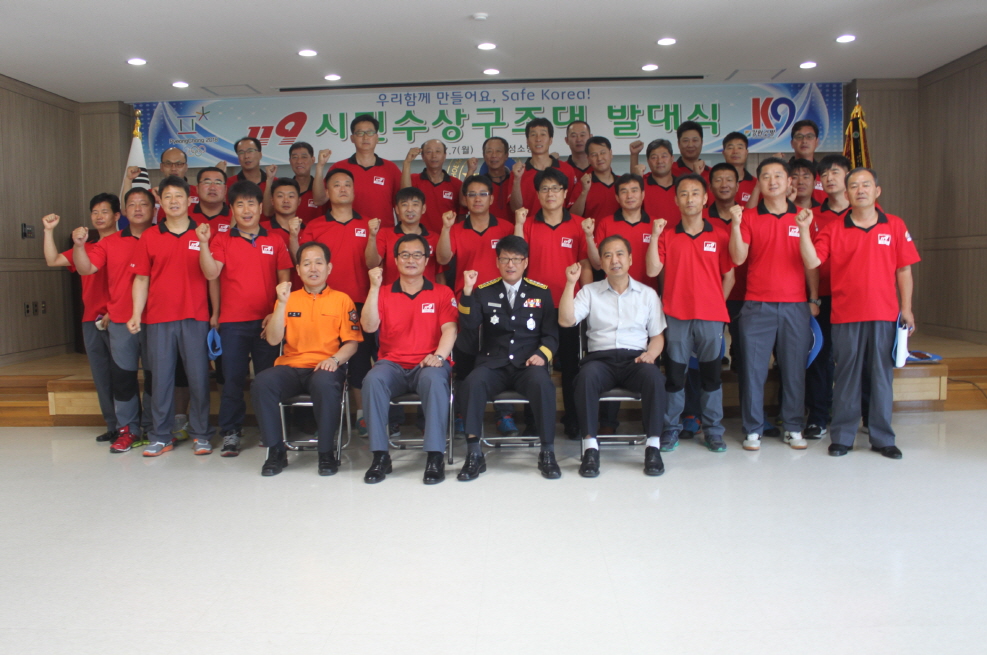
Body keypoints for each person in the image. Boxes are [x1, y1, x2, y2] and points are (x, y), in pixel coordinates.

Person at [797, 168, 920, 459]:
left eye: (866, 185)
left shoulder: (894, 225)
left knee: (881, 377)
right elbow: (812, 261)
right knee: (847, 377)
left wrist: (906, 308)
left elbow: (904, 269)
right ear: (847, 193)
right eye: (854, 186)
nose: (860, 190)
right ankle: (843, 437)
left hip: (884, 314)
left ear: (877, 191)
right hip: (845, 315)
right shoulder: (833, 228)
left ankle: (882, 438)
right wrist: (803, 230)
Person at [251, 241, 364, 476]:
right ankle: (276, 451)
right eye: (307, 263)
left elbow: (352, 343)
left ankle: (326, 452)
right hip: (290, 367)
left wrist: (334, 360)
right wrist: (281, 304)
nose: (313, 268)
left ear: (329, 268)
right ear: (298, 269)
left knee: (325, 383)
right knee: (262, 382)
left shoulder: (342, 300)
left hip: (326, 366)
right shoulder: (288, 299)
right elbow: (273, 340)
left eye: (319, 263)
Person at [197, 181, 293, 456]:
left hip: (267, 323)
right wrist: (203, 244)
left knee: (267, 380)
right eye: (240, 204)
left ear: (261, 207)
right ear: (232, 209)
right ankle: (231, 432)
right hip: (233, 323)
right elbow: (211, 273)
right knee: (232, 380)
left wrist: (276, 313)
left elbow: (284, 280)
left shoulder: (275, 240)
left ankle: (269, 429)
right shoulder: (221, 240)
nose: (246, 209)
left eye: (251, 203)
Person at [728, 158, 817, 451]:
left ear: (789, 182)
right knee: (753, 371)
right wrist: (736, 225)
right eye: (766, 176)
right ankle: (753, 428)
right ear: (759, 183)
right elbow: (738, 258)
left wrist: (813, 297)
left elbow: (811, 263)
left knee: (794, 370)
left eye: (778, 175)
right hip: (757, 305)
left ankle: (793, 426)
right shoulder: (749, 217)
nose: (772, 181)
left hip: (795, 305)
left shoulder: (803, 217)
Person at [560, 236, 668, 477]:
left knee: (654, 378)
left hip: (636, 360)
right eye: (607, 255)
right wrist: (570, 284)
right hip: (601, 360)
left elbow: (657, 336)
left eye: (620, 254)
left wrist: (651, 354)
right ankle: (590, 448)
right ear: (601, 262)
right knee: (585, 378)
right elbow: (566, 320)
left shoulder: (647, 294)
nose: (614, 260)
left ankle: (653, 447)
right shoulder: (589, 292)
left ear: (630, 259)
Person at [455, 236, 561, 480]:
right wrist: (468, 291)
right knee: (472, 383)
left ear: (526, 262)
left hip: (528, 364)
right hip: (493, 363)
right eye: (505, 259)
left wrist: (542, 355)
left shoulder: (541, 292)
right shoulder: (484, 291)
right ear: (497, 262)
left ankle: (547, 452)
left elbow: (551, 335)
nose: (510, 264)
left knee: (544, 385)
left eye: (516, 259)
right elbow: (469, 325)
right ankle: (474, 453)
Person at [360, 234, 459, 484]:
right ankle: (380, 456)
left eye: (417, 255)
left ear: (426, 260)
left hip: (428, 363)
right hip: (392, 364)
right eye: (404, 255)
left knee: (435, 381)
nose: (411, 260)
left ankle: (435, 456)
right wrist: (373, 288)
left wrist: (439, 356)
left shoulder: (442, 292)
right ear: (395, 260)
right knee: (372, 380)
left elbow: (450, 329)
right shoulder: (383, 292)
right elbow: (369, 326)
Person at [647, 174, 735, 453]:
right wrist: (655, 236)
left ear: (705, 198)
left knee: (712, 376)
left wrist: (715, 304)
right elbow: (652, 269)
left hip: (711, 317)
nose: (690, 199)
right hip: (676, 316)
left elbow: (729, 276)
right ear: (676, 200)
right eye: (684, 194)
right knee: (675, 376)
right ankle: (671, 428)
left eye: (695, 193)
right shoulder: (668, 235)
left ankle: (713, 430)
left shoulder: (719, 234)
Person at [128, 175, 212, 457]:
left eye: (179, 196)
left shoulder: (203, 233)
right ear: (160, 202)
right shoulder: (150, 236)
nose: (174, 201)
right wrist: (136, 313)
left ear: (189, 200)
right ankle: (161, 435)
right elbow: (141, 278)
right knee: (161, 379)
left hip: (195, 316)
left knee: (199, 378)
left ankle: (201, 434)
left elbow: (213, 276)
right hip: (158, 319)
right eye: (168, 197)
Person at [71, 188, 156, 453]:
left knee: (155, 377)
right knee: (123, 377)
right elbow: (86, 268)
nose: (138, 208)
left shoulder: (162, 237)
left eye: (144, 204)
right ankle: (128, 429)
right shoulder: (110, 242)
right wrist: (79, 246)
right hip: (120, 320)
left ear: (154, 209)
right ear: (124, 212)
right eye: (132, 204)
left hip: (157, 320)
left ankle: (153, 427)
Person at [515, 167, 593, 439]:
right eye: (545, 189)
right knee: (532, 365)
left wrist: (588, 302)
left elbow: (586, 265)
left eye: (556, 188)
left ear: (565, 193)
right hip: (533, 307)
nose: (550, 194)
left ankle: (573, 420)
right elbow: (517, 262)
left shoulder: (578, 224)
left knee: (571, 366)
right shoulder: (527, 225)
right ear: (537, 194)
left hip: (569, 307)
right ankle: (533, 422)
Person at [297, 168, 375, 429]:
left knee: (361, 362)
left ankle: (362, 416)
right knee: (324, 360)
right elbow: (302, 266)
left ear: (354, 190)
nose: (342, 189)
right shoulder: (315, 226)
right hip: (322, 304)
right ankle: (325, 420)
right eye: (337, 185)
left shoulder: (368, 225)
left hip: (360, 302)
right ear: (327, 192)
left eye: (347, 184)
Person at [42, 194, 118, 443]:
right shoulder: (84, 247)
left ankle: (133, 425)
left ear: (117, 216)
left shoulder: (126, 243)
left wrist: (116, 310)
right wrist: (48, 231)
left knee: (124, 374)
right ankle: (113, 425)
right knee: (101, 376)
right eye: (95, 212)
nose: (99, 216)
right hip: (91, 319)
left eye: (104, 211)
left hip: (119, 318)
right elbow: (52, 260)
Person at [803, 154, 853, 439]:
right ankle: (818, 417)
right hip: (823, 296)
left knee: (855, 358)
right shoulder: (812, 215)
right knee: (820, 356)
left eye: (835, 172)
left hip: (856, 299)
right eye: (824, 174)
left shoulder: (868, 212)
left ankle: (862, 414)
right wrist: (813, 297)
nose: (829, 178)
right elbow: (809, 261)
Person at [328, 114, 402, 227]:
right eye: (360, 133)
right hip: (348, 232)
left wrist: (401, 233)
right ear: (352, 138)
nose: (365, 137)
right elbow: (322, 200)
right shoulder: (339, 168)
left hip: (383, 232)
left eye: (370, 132)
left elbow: (400, 204)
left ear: (377, 137)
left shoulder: (391, 168)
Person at [367, 187, 442, 285]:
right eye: (404, 204)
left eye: (415, 204)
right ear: (397, 209)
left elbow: (439, 275)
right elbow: (372, 264)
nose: (409, 209)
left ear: (423, 208)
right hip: (392, 293)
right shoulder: (385, 234)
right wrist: (372, 236)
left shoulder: (435, 238)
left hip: (427, 294)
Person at [509, 118, 581, 214]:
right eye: (533, 135)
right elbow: (515, 209)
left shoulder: (566, 169)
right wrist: (517, 179)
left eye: (543, 134)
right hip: (529, 223)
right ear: (527, 141)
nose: (538, 139)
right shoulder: (517, 173)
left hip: (560, 224)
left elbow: (572, 207)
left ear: (550, 140)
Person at [120, 147, 200, 222]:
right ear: (161, 167)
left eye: (179, 164)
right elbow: (125, 211)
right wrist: (128, 179)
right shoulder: (152, 194)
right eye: (168, 164)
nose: (173, 168)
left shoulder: (198, 192)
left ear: (186, 167)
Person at [401, 140, 463, 233]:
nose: (434, 156)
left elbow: (461, 215)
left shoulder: (456, 184)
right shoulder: (413, 179)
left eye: (438, 151)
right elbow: (404, 196)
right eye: (429, 152)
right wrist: (407, 162)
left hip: (447, 238)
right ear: (423, 157)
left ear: (445, 155)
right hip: (419, 238)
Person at [262, 142, 328, 222]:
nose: (299, 161)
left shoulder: (323, 188)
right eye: (295, 157)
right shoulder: (284, 188)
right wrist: (269, 180)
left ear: (313, 160)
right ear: (290, 161)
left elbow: (319, 201)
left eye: (304, 157)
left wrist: (320, 165)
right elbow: (268, 212)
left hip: (316, 230)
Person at [261, 177, 305, 290]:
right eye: (280, 196)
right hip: (268, 296)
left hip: (301, 296)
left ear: (299, 201)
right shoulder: (260, 230)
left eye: (291, 196)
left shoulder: (309, 231)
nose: (286, 200)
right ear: (272, 201)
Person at [630, 138, 681, 227]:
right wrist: (634, 155)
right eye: (654, 157)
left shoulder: (682, 186)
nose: (659, 161)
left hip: (679, 235)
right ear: (648, 161)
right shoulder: (642, 186)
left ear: (672, 159)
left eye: (664, 156)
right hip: (649, 235)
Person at [572, 136, 619, 220]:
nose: (599, 158)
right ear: (588, 159)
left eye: (603, 153)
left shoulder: (623, 182)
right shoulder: (582, 184)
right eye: (594, 155)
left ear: (611, 153)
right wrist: (584, 192)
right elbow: (572, 216)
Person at [465, 137, 512, 220]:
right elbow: (463, 201)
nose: (494, 155)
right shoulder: (479, 183)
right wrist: (471, 170)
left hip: (512, 227)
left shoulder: (515, 180)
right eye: (489, 151)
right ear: (484, 155)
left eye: (498, 151)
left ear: (506, 155)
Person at [789, 120, 828, 204]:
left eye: (809, 136)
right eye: (799, 137)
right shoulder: (783, 172)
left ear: (817, 142)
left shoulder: (825, 173)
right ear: (792, 143)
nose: (804, 141)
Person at [721, 132, 757, 206]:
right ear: (724, 153)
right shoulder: (713, 182)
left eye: (740, 148)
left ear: (746, 152)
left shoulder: (756, 184)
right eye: (730, 148)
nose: (735, 151)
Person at [189, 167, 231, 232]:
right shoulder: (185, 215)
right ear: (197, 188)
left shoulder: (236, 217)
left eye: (218, 183)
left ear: (225, 189)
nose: (212, 188)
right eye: (207, 182)